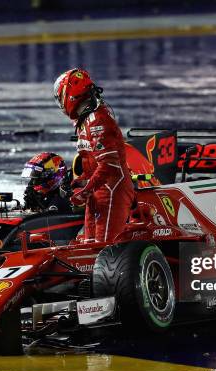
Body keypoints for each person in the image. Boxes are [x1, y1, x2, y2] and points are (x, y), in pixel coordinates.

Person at [53, 68, 134, 242]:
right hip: (97, 192)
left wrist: (85, 191)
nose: (61, 103)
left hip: (112, 190)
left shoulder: (98, 120)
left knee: (104, 248)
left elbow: (109, 165)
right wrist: (76, 183)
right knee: (89, 246)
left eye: (60, 97)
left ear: (70, 93)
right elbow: (93, 167)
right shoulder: (86, 120)